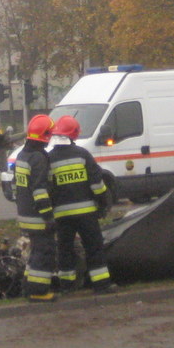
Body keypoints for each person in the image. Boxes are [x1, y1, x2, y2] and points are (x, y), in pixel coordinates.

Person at [47, 116, 115, 294]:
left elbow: (48, 188)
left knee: (65, 250)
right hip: (87, 213)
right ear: (74, 134)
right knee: (94, 247)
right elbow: (97, 185)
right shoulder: (82, 154)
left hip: (62, 215)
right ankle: (101, 285)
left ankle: (67, 287)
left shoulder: (49, 159)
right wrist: (102, 204)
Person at [14, 114, 57, 302]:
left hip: (25, 213)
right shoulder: (38, 158)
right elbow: (40, 189)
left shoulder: (23, 155)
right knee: (44, 251)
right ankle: (39, 291)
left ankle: (28, 286)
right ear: (45, 135)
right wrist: (48, 215)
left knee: (35, 251)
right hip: (38, 215)